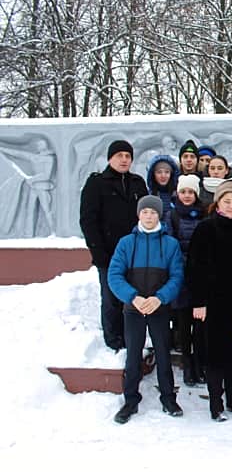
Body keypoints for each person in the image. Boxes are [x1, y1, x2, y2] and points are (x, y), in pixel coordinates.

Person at [187, 179, 232, 421]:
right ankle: (215, 402)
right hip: (214, 303)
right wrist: (199, 301)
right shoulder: (206, 228)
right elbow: (195, 267)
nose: (230, 206)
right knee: (216, 354)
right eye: (226, 201)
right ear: (218, 203)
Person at [108, 196, 184, 423]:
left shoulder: (170, 244)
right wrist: (133, 297)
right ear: (138, 214)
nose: (149, 216)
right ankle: (130, 400)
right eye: (145, 212)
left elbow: (177, 276)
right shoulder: (126, 243)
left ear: (159, 215)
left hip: (159, 308)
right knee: (133, 355)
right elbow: (114, 275)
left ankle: (168, 398)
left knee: (162, 353)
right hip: (134, 309)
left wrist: (161, 298)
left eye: (153, 212)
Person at [80, 140, 148, 351]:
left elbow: (147, 216)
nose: (124, 160)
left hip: (136, 253)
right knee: (111, 298)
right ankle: (114, 342)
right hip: (109, 253)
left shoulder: (137, 182)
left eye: (128, 156)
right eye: (119, 155)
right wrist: (98, 252)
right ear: (110, 158)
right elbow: (88, 221)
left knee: (134, 297)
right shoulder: (97, 183)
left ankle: (133, 338)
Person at [169, 174, 207, 386]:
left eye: (190, 192)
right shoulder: (173, 215)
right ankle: (187, 364)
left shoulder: (203, 214)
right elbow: (170, 243)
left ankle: (199, 363)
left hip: (199, 274)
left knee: (200, 325)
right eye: (183, 191)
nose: (186, 195)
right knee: (183, 325)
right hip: (182, 275)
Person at [145, 154, 179, 232]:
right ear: (153, 174)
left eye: (167, 172)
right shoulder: (148, 195)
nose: (163, 176)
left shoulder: (177, 194)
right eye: (159, 172)